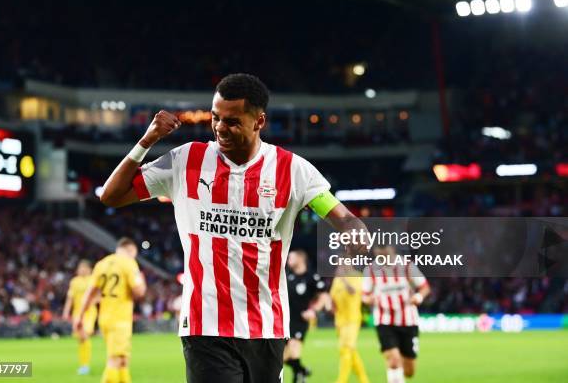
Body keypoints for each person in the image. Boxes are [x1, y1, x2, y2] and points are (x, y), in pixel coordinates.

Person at [99, 73, 368, 383]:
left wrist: (356, 235)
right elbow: (112, 195)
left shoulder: (293, 171)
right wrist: (147, 141)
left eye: (232, 121)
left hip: (267, 327)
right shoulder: (187, 160)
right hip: (206, 326)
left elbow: (344, 218)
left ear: (259, 121)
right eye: (216, 118)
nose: (220, 128)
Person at [76, 237, 147, 383]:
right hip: (120, 319)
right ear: (131, 250)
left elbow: (90, 293)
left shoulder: (102, 264)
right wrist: (141, 278)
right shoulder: (128, 263)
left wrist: (80, 316)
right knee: (114, 360)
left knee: (123, 360)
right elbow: (139, 292)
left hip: (105, 318)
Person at [362, 245, 430, 383]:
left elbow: (424, 287)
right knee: (393, 359)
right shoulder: (370, 270)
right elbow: (364, 295)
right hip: (384, 319)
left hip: (408, 320)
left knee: (409, 371)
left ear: (392, 250)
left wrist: (419, 297)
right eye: (378, 254)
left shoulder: (407, 266)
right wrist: (368, 299)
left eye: (384, 253)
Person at [284, 249, 329, 382]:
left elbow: (324, 296)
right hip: (283, 320)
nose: (288, 260)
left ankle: (299, 374)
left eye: (291, 258)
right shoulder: (286, 276)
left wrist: (313, 310)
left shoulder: (311, 277)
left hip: (299, 320)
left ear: (300, 259)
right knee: (289, 356)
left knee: (291, 352)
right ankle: (302, 371)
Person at [329, 265, 370, 383]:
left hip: (352, 320)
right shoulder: (337, 279)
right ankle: (364, 380)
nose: (339, 267)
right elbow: (333, 296)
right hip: (339, 321)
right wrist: (332, 306)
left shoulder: (357, 277)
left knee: (346, 349)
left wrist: (344, 279)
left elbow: (353, 292)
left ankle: (341, 380)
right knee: (351, 350)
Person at [62, 259, 98, 375]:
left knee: (84, 335)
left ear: (89, 269)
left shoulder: (94, 280)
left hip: (89, 312)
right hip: (77, 313)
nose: (81, 270)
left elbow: (100, 296)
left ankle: (85, 366)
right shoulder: (74, 282)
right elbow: (70, 298)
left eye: (83, 268)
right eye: (80, 268)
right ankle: (83, 364)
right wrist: (66, 312)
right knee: (81, 339)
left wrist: (91, 302)